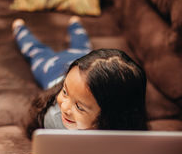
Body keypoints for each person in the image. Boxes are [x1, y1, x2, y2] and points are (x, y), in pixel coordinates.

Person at [12, 18, 147, 138]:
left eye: (79, 107)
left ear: (111, 117)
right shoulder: (55, 119)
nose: (64, 107)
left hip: (79, 65)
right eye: (64, 92)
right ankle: (19, 28)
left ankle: (75, 24)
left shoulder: (127, 121)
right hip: (54, 69)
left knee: (81, 48)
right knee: (37, 52)